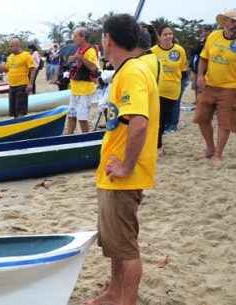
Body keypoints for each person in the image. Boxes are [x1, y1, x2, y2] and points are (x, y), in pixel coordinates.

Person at [82, 13, 159, 305]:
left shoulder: (132, 72)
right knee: (115, 243)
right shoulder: (129, 69)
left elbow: (139, 122)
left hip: (124, 176)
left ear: (108, 40)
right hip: (114, 174)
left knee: (125, 246)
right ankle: (115, 293)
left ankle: (126, 299)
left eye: (102, 38)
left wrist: (126, 165)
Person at [195, 9, 236, 167]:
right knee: (202, 118)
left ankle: (218, 154)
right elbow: (204, 57)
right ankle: (210, 148)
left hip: (230, 88)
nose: (235, 25)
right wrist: (200, 76)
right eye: (232, 21)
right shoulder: (214, 36)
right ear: (224, 22)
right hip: (210, 85)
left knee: (225, 122)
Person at [151, 26, 188, 149]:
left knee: (164, 119)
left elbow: (183, 71)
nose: (168, 37)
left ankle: (157, 144)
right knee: (158, 120)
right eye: (165, 34)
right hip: (156, 91)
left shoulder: (179, 50)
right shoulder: (152, 51)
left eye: (170, 34)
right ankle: (157, 146)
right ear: (159, 37)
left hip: (172, 91)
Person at [0, 38, 36, 118]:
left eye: (11, 46)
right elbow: (5, 69)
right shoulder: (10, 57)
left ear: (17, 46)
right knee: (13, 111)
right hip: (12, 86)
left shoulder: (26, 55)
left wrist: (30, 84)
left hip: (22, 85)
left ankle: (21, 126)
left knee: (20, 110)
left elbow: (33, 69)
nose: (10, 48)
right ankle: (16, 124)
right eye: (10, 46)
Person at [66, 27, 100, 134]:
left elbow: (94, 67)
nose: (73, 38)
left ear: (83, 37)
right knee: (71, 116)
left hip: (85, 90)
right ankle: (68, 138)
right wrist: (72, 59)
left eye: (75, 36)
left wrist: (81, 58)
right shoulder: (78, 49)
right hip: (75, 89)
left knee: (82, 118)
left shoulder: (90, 51)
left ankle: (85, 138)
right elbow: (72, 62)